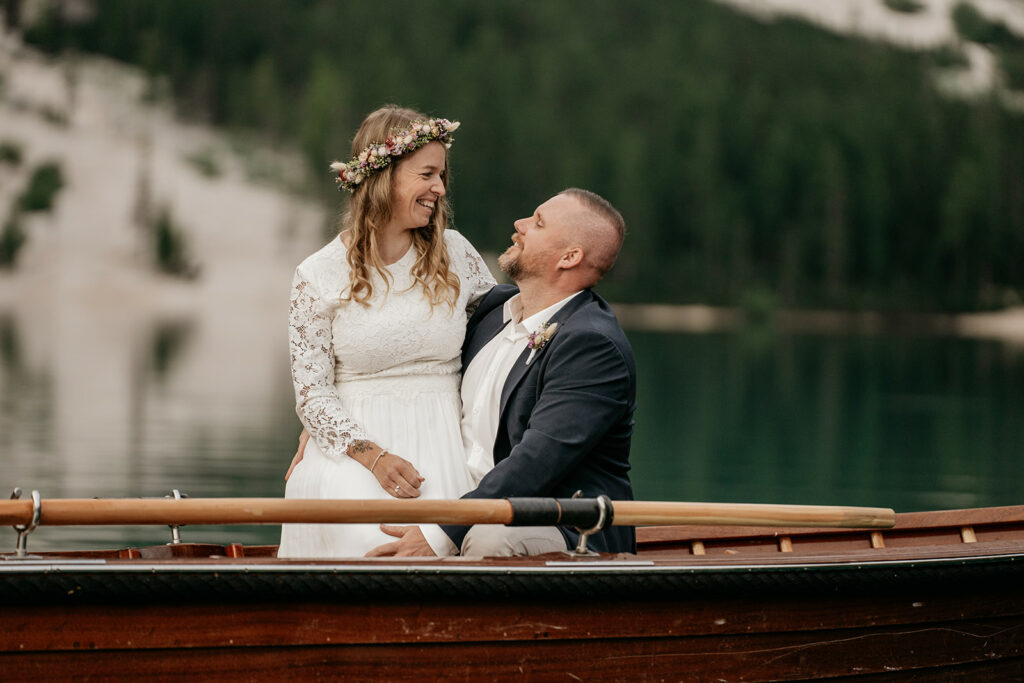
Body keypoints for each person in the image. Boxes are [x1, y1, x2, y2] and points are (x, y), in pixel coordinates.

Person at [368, 188, 637, 558]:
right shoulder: (491, 309)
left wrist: (442, 532)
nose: (520, 225)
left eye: (538, 223)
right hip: (454, 496)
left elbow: (537, 464)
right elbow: (412, 365)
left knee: (489, 539)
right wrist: (330, 420)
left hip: (563, 525)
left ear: (570, 257)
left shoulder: (592, 345)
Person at [277, 105, 496, 558]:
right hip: (355, 452)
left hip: (446, 441)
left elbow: (500, 341)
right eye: (427, 174)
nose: (440, 188)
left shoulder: (456, 255)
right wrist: (370, 456)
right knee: (366, 542)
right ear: (383, 178)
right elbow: (313, 395)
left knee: (454, 549)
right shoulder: (317, 273)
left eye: (442, 175)